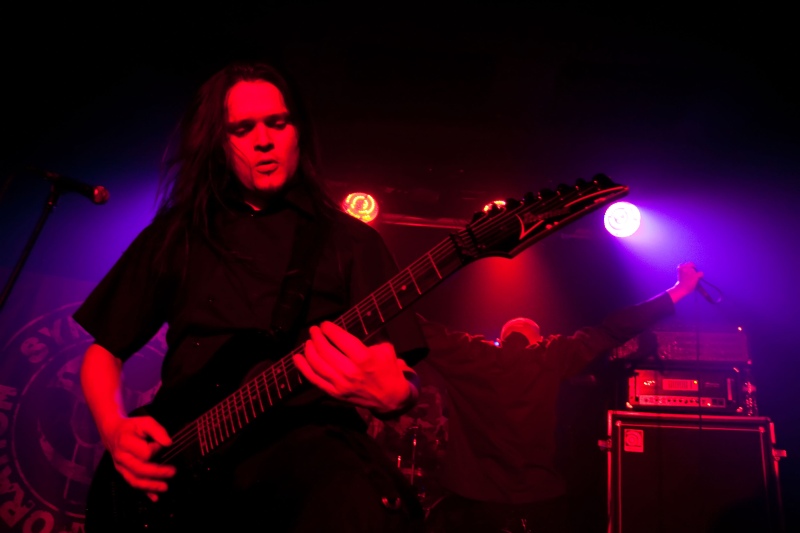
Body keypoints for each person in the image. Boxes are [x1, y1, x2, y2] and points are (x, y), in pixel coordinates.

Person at [74, 60, 428, 532]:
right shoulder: (179, 234)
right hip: (181, 462)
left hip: (308, 452)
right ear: (219, 145)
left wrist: (395, 394)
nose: (263, 139)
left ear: (297, 132)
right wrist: (115, 431)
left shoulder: (351, 242)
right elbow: (103, 351)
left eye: (276, 123)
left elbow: (401, 374)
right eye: (242, 129)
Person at [417, 262, 704, 533]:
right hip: (539, 498)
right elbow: (613, 330)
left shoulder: (470, 355)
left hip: (473, 501)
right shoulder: (552, 356)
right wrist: (680, 289)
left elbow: (420, 331)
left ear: (499, 339)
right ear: (538, 340)